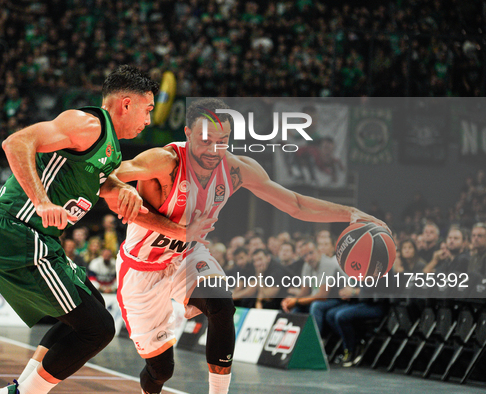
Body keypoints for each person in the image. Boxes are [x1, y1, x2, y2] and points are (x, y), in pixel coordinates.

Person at [111, 98, 387, 394]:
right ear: (189, 134)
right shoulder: (164, 161)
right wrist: (123, 189)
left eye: (223, 141)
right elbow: (107, 176)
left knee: (221, 304)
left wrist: (351, 213)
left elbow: (294, 204)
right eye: (206, 140)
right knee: (160, 370)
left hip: (186, 255)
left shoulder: (236, 169)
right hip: (142, 269)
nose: (214, 150)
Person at [0, 65, 169, 394]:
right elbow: (16, 143)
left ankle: (19, 388)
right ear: (126, 104)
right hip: (19, 232)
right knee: (97, 328)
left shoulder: (110, 149)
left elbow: (99, 182)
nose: (149, 121)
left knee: (90, 307)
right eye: (148, 109)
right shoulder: (88, 124)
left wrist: (120, 188)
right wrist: (40, 201)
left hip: (40, 240)